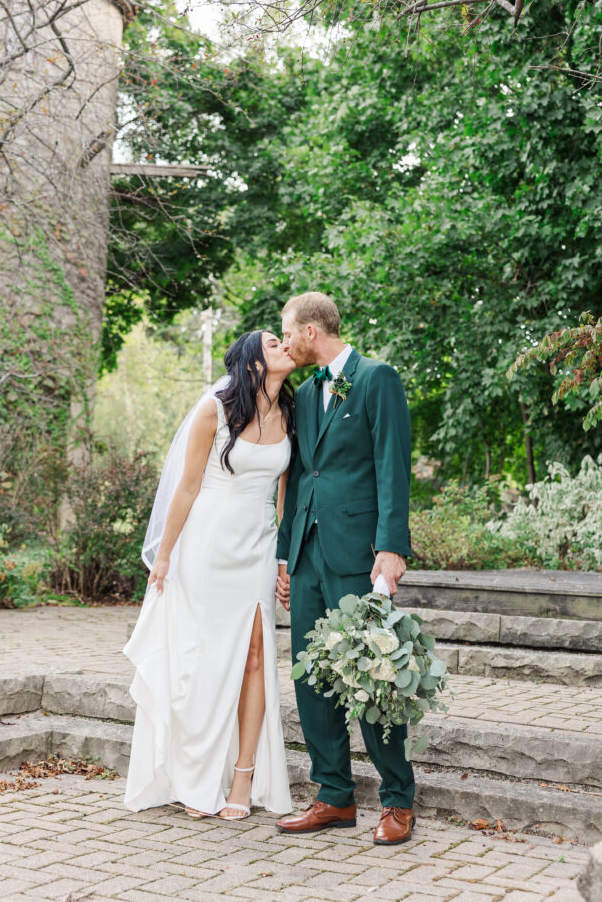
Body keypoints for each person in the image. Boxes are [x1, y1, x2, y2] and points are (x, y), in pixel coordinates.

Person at [123, 331, 294, 821]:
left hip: (258, 546)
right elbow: (187, 488)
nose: (283, 345)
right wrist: (164, 556)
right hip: (205, 546)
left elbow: (285, 501)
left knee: (256, 656)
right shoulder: (214, 411)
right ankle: (195, 776)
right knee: (202, 657)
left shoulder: (294, 415)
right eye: (272, 342)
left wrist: (284, 562)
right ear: (253, 363)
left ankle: (243, 778)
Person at [275, 292, 415, 845]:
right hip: (308, 552)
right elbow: (301, 477)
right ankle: (333, 796)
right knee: (311, 675)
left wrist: (392, 547)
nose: (285, 343)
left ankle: (397, 799)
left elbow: (392, 464)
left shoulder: (377, 378)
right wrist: (286, 554)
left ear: (311, 331)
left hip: (359, 553)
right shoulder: (305, 395)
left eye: (288, 333)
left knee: (372, 673)